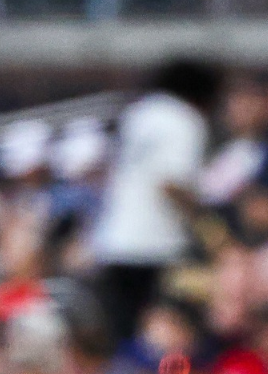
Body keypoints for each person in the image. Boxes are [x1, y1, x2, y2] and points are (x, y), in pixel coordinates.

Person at [91, 60, 218, 343]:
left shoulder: (139, 113)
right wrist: (211, 230)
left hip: (114, 242)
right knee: (163, 338)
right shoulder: (185, 119)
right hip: (155, 247)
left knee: (124, 338)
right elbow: (171, 184)